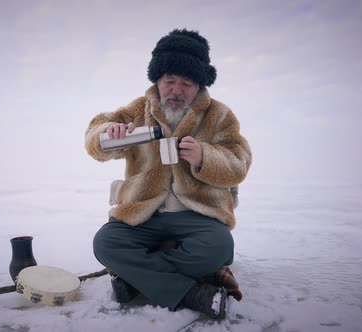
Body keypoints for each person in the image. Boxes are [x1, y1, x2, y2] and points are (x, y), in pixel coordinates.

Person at [84, 28, 252, 319]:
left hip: (198, 216)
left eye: (186, 83)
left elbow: (240, 161)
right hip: (143, 214)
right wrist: (107, 133)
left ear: (199, 84)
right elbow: (94, 140)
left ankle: (134, 280)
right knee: (106, 243)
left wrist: (205, 157)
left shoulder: (220, 115)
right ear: (157, 79)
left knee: (219, 248)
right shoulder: (138, 110)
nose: (176, 90)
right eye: (169, 80)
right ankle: (189, 292)